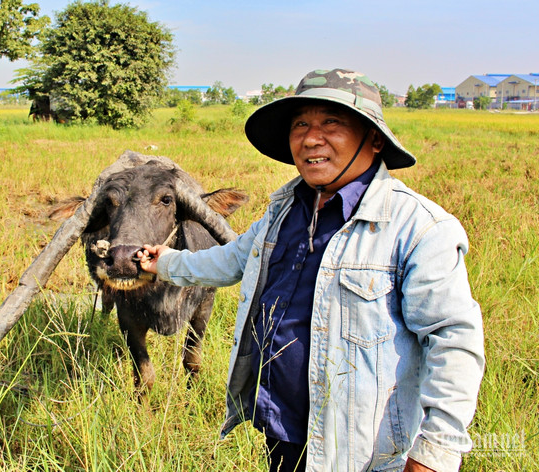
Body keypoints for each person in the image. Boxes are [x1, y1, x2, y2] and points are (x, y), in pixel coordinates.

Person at [138, 69, 484, 472]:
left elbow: (453, 341)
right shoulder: (283, 210)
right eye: (301, 123)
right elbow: (231, 260)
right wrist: (163, 262)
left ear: (374, 139)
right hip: (281, 427)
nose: (311, 137)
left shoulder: (419, 228)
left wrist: (435, 454)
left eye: (331, 123)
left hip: (360, 449)